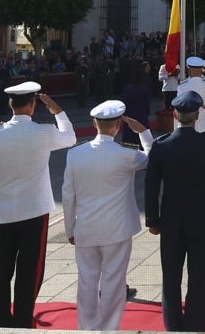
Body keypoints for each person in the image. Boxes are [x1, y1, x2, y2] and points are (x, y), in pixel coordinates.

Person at [0, 81, 76, 328]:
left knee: (0, 273)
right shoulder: (42, 132)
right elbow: (70, 137)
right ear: (33, 105)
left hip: (3, 212)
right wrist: (58, 111)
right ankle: (22, 321)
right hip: (34, 211)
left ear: (10, 104)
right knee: (30, 272)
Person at [62, 99, 153, 330]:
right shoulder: (127, 155)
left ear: (94, 123)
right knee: (113, 281)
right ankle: (109, 328)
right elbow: (153, 157)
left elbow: (68, 196)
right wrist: (144, 132)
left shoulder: (75, 154)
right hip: (117, 229)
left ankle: (87, 327)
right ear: (118, 126)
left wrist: (69, 229)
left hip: (86, 228)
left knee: (86, 281)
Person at [144, 90, 205, 332]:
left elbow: (151, 185)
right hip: (200, 219)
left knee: (170, 279)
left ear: (174, 114)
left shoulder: (162, 145)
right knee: (197, 278)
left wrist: (152, 218)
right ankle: (195, 326)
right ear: (197, 115)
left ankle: (173, 326)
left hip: (171, 220)